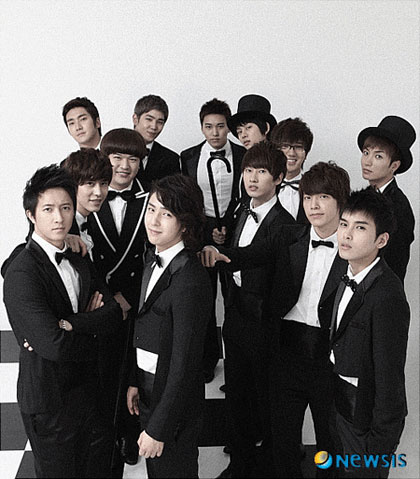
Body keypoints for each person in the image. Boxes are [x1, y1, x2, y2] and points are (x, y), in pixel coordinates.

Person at [202, 161, 351, 478]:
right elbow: (253, 254)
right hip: (286, 354)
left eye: (323, 197)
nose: (313, 205)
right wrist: (222, 254)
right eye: (308, 197)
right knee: (282, 443)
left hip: (329, 360)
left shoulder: (354, 247)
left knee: (331, 445)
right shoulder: (289, 235)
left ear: (341, 201)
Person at [3, 165, 123, 478]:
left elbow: (113, 312)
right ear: (31, 215)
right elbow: (54, 346)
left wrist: (73, 324)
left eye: (66, 208)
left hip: (87, 391)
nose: (59, 217)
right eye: (48, 209)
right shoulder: (22, 272)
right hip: (49, 400)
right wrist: (93, 330)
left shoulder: (77, 254)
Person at [126, 174, 212, 478]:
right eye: (151, 209)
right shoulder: (154, 258)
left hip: (173, 402)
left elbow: (185, 362)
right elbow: (144, 326)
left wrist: (159, 427)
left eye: (166, 214)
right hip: (149, 387)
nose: (154, 220)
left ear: (185, 224)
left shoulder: (190, 279)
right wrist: (136, 381)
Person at [220, 142, 295, 478]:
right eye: (248, 170)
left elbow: (284, 284)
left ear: (278, 178)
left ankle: (266, 465)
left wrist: (268, 319)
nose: (252, 178)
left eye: (262, 172)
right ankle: (239, 463)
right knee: (235, 393)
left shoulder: (285, 223)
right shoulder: (240, 209)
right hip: (235, 312)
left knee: (264, 398)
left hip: (264, 321)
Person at [330, 187, 410, 478]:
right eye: (344, 224)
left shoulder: (388, 296)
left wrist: (378, 449)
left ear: (381, 240)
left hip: (364, 422)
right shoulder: (346, 270)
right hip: (340, 408)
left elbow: (390, 383)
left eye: (360, 227)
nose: (347, 235)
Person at [90, 128, 149, 468]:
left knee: (132, 370)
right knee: (100, 370)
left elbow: (155, 257)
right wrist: (109, 297)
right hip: (98, 303)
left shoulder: (151, 199)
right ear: (105, 158)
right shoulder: (86, 196)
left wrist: (128, 297)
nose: (124, 166)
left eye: (133, 159)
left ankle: (129, 433)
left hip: (135, 301)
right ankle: (103, 434)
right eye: (116, 158)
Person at [181, 98, 246, 382]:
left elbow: (246, 196)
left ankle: (237, 365)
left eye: (220, 126)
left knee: (236, 299)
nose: (215, 132)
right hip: (201, 232)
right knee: (204, 299)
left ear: (228, 127)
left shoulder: (244, 155)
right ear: (201, 127)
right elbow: (187, 201)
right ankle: (207, 361)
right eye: (208, 126)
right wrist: (207, 232)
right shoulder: (187, 157)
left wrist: (228, 228)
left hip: (236, 231)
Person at [358, 115, 416, 283]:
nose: (367, 162)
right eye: (366, 153)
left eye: (378, 156)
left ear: (394, 165)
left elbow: (395, 265)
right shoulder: (362, 197)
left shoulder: (399, 207)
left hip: (380, 291)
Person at [61, 148, 112, 257]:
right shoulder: (61, 228)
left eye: (103, 184)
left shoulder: (92, 223)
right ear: (72, 185)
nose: (98, 192)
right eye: (90, 183)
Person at [271, 117, 313, 223]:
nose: (291, 153)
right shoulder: (264, 187)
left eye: (298, 147)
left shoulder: (314, 188)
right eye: (285, 146)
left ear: (306, 153)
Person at [133, 94, 180, 187]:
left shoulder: (171, 159)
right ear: (135, 119)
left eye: (160, 122)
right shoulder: (115, 148)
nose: (154, 126)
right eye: (149, 119)